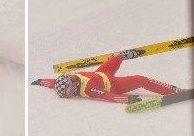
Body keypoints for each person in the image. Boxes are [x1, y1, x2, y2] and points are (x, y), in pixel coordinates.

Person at [31, 50, 184, 104]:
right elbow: (108, 96)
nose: (73, 76)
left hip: (102, 73)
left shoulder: (68, 81)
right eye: (72, 79)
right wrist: (127, 99)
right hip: (114, 84)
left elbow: (54, 82)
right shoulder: (90, 89)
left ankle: (119, 57)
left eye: (70, 76)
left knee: (115, 59)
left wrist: (40, 82)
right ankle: (174, 90)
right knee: (141, 80)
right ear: (74, 86)